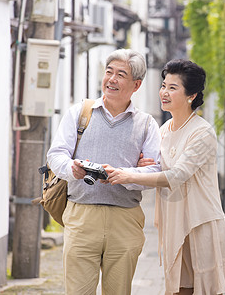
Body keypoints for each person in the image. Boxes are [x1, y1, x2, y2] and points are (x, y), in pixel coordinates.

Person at [106, 59, 225, 295]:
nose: (164, 92)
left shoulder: (202, 132)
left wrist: (127, 175)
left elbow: (176, 175)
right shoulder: (162, 131)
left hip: (200, 222)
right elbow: (155, 167)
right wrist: (142, 165)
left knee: (205, 290)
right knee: (177, 289)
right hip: (174, 223)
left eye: (173, 88)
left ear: (191, 95)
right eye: (164, 85)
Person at [47, 48, 161, 294]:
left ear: (136, 84)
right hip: (82, 216)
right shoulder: (80, 113)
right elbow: (55, 155)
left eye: (121, 74)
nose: (112, 79)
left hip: (125, 219)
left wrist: (126, 175)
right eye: (109, 72)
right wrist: (72, 169)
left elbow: (155, 171)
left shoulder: (147, 124)